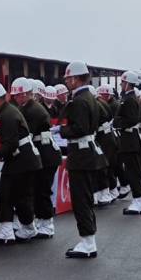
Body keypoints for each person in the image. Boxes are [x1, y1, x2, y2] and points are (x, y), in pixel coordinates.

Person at [57, 61, 107, 259]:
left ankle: (87, 241)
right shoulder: (91, 97)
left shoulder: (79, 100)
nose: (67, 82)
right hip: (89, 152)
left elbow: (80, 128)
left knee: (81, 199)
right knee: (85, 196)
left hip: (81, 154)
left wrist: (61, 131)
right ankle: (88, 239)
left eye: (69, 78)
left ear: (76, 78)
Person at [0, 81, 41, 245]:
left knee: (8, 194)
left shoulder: (6, 114)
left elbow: (11, 143)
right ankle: (25, 228)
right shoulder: (9, 111)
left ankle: (12, 230)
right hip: (24, 159)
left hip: (21, 160)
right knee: (18, 195)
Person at [17, 77, 62, 239]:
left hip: (46, 154)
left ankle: (46, 224)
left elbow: (26, 134)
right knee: (39, 189)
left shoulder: (31, 110)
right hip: (46, 152)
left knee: (42, 189)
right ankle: (42, 221)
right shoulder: (33, 108)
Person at [114, 71, 141, 215]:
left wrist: (116, 122)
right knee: (132, 170)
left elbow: (132, 119)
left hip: (130, 140)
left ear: (127, 83)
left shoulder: (129, 99)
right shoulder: (128, 98)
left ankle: (138, 201)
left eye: (122, 82)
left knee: (133, 171)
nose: (121, 85)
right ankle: (137, 200)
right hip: (128, 139)